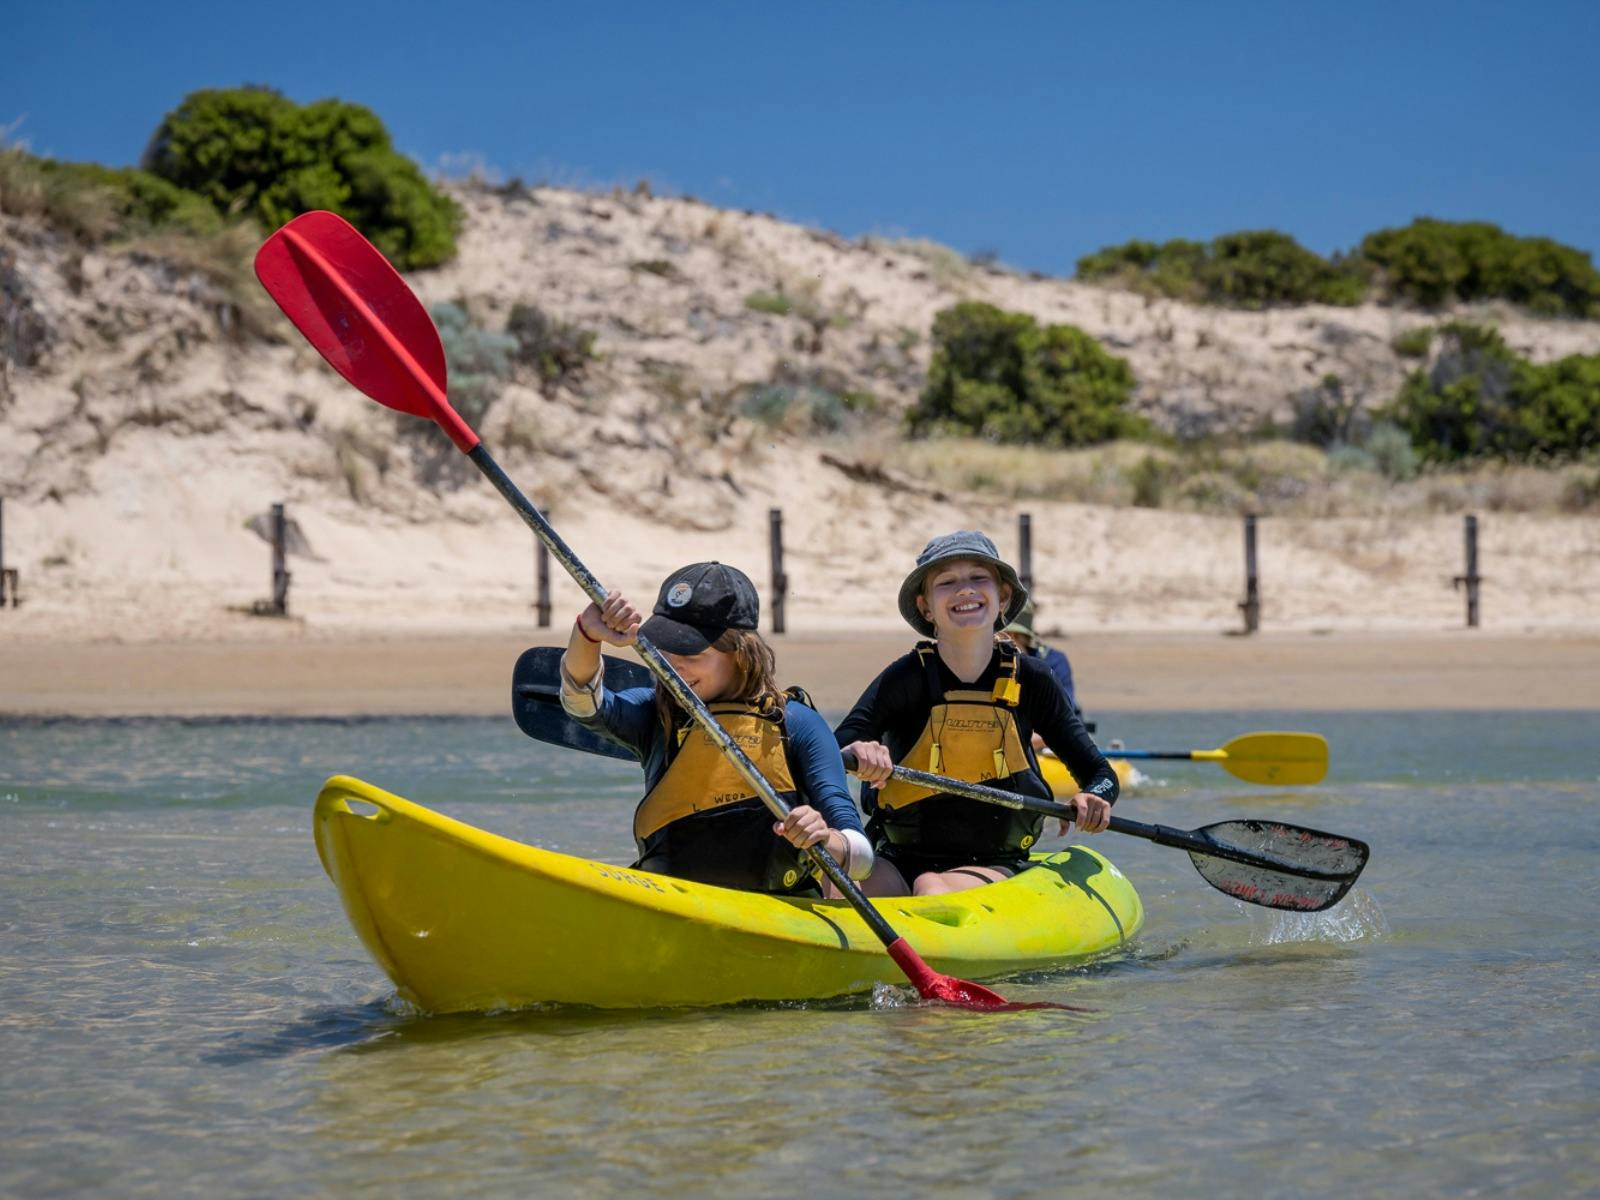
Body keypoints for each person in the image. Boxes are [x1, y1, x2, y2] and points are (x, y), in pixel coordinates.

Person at [560, 561, 873, 895]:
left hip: (782, 908)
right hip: (674, 901)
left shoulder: (797, 723)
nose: (673, 665)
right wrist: (588, 636)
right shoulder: (657, 712)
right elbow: (582, 701)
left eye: (691, 653)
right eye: (664, 648)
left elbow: (862, 858)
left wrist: (825, 839)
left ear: (739, 652)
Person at [835, 532, 1117, 897]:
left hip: (995, 860)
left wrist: (1095, 797)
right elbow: (832, 751)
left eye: (978, 578)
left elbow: (1101, 774)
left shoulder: (1033, 680)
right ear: (926, 608)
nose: (965, 590)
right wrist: (859, 751)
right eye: (947, 582)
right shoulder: (904, 679)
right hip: (896, 854)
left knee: (931, 887)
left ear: (1003, 597)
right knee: (833, 881)